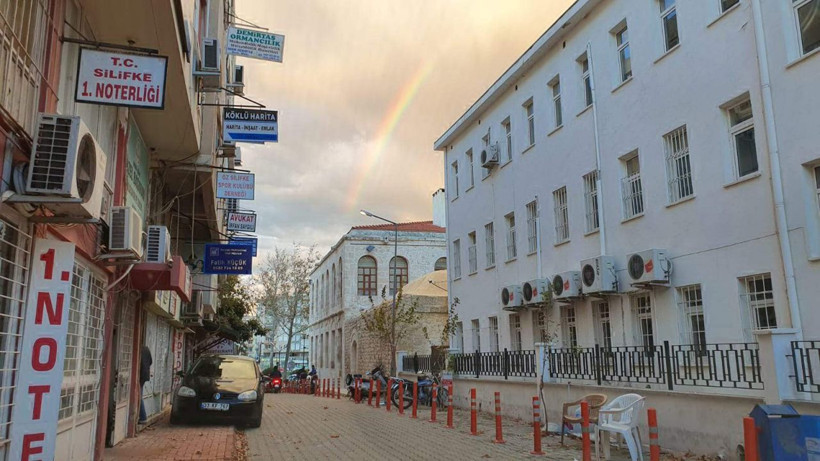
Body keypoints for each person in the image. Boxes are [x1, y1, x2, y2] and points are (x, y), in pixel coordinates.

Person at [139, 345, 152, 424]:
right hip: (145, 375)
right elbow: (150, 361)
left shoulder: (139, 349)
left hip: (140, 375)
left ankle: (143, 417)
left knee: (139, 396)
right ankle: (141, 417)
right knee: (139, 395)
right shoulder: (146, 349)